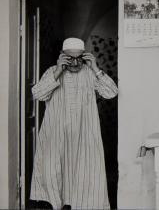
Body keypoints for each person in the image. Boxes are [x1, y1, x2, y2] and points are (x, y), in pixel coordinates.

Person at [30, 38, 118, 209]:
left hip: (84, 136)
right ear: (62, 56)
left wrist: (95, 68)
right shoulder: (51, 71)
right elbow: (38, 94)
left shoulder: (89, 73)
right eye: (70, 58)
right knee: (54, 172)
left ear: (85, 57)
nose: (76, 63)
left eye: (80, 58)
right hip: (56, 135)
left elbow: (111, 92)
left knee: (84, 176)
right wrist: (57, 71)